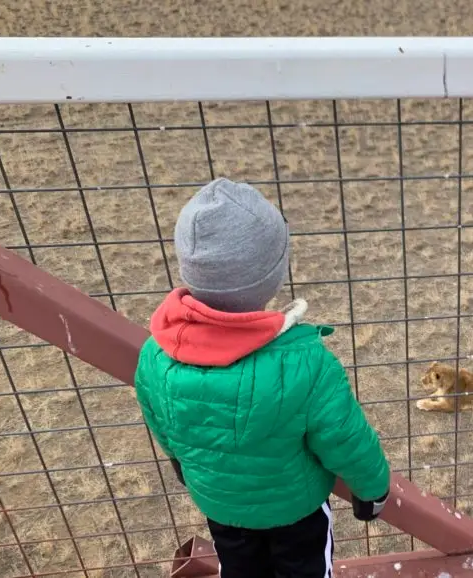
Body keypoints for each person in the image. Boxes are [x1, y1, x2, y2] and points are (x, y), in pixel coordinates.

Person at [134, 178, 391, 578]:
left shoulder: (156, 353)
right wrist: (372, 490)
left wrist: (180, 464)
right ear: (271, 277)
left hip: (220, 505)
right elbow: (345, 438)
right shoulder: (306, 363)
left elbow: (160, 422)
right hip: (296, 511)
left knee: (239, 568)